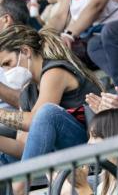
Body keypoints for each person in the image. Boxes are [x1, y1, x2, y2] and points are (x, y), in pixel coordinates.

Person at [0, 26, 101, 173]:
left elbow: (34, 120)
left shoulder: (55, 71)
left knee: (48, 113)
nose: (5, 71)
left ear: (25, 51)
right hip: (63, 154)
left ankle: (20, 186)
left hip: (90, 146)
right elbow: (26, 148)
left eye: (7, 63)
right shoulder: (27, 92)